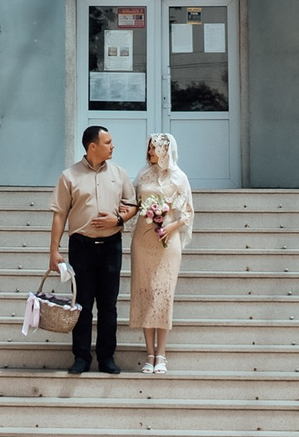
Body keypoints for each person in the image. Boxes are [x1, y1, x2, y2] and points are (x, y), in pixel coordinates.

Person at [47, 124, 130, 375]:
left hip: (111, 247)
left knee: (108, 305)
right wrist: (54, 251)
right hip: (81, 247)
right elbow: (59, 215)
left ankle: (107, 358)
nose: (113, 146)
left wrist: (117, 220)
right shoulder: (69, 176)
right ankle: (81, 357)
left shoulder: (120, 173)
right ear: (92, 146)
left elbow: (132, 205)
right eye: (108, 142)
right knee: (81, 304)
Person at [128, 132, 193, 374]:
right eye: (149, 147)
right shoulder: (143, 175)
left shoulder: (179, 177)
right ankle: (149, 353)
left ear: (166, 150)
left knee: (163, 294)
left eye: (154, 148)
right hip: (143, 241)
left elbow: (188, 212)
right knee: (145, 292)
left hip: (168, 241)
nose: (150, 152)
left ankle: (162, 354)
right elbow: (133, 203)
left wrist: (171, 226)